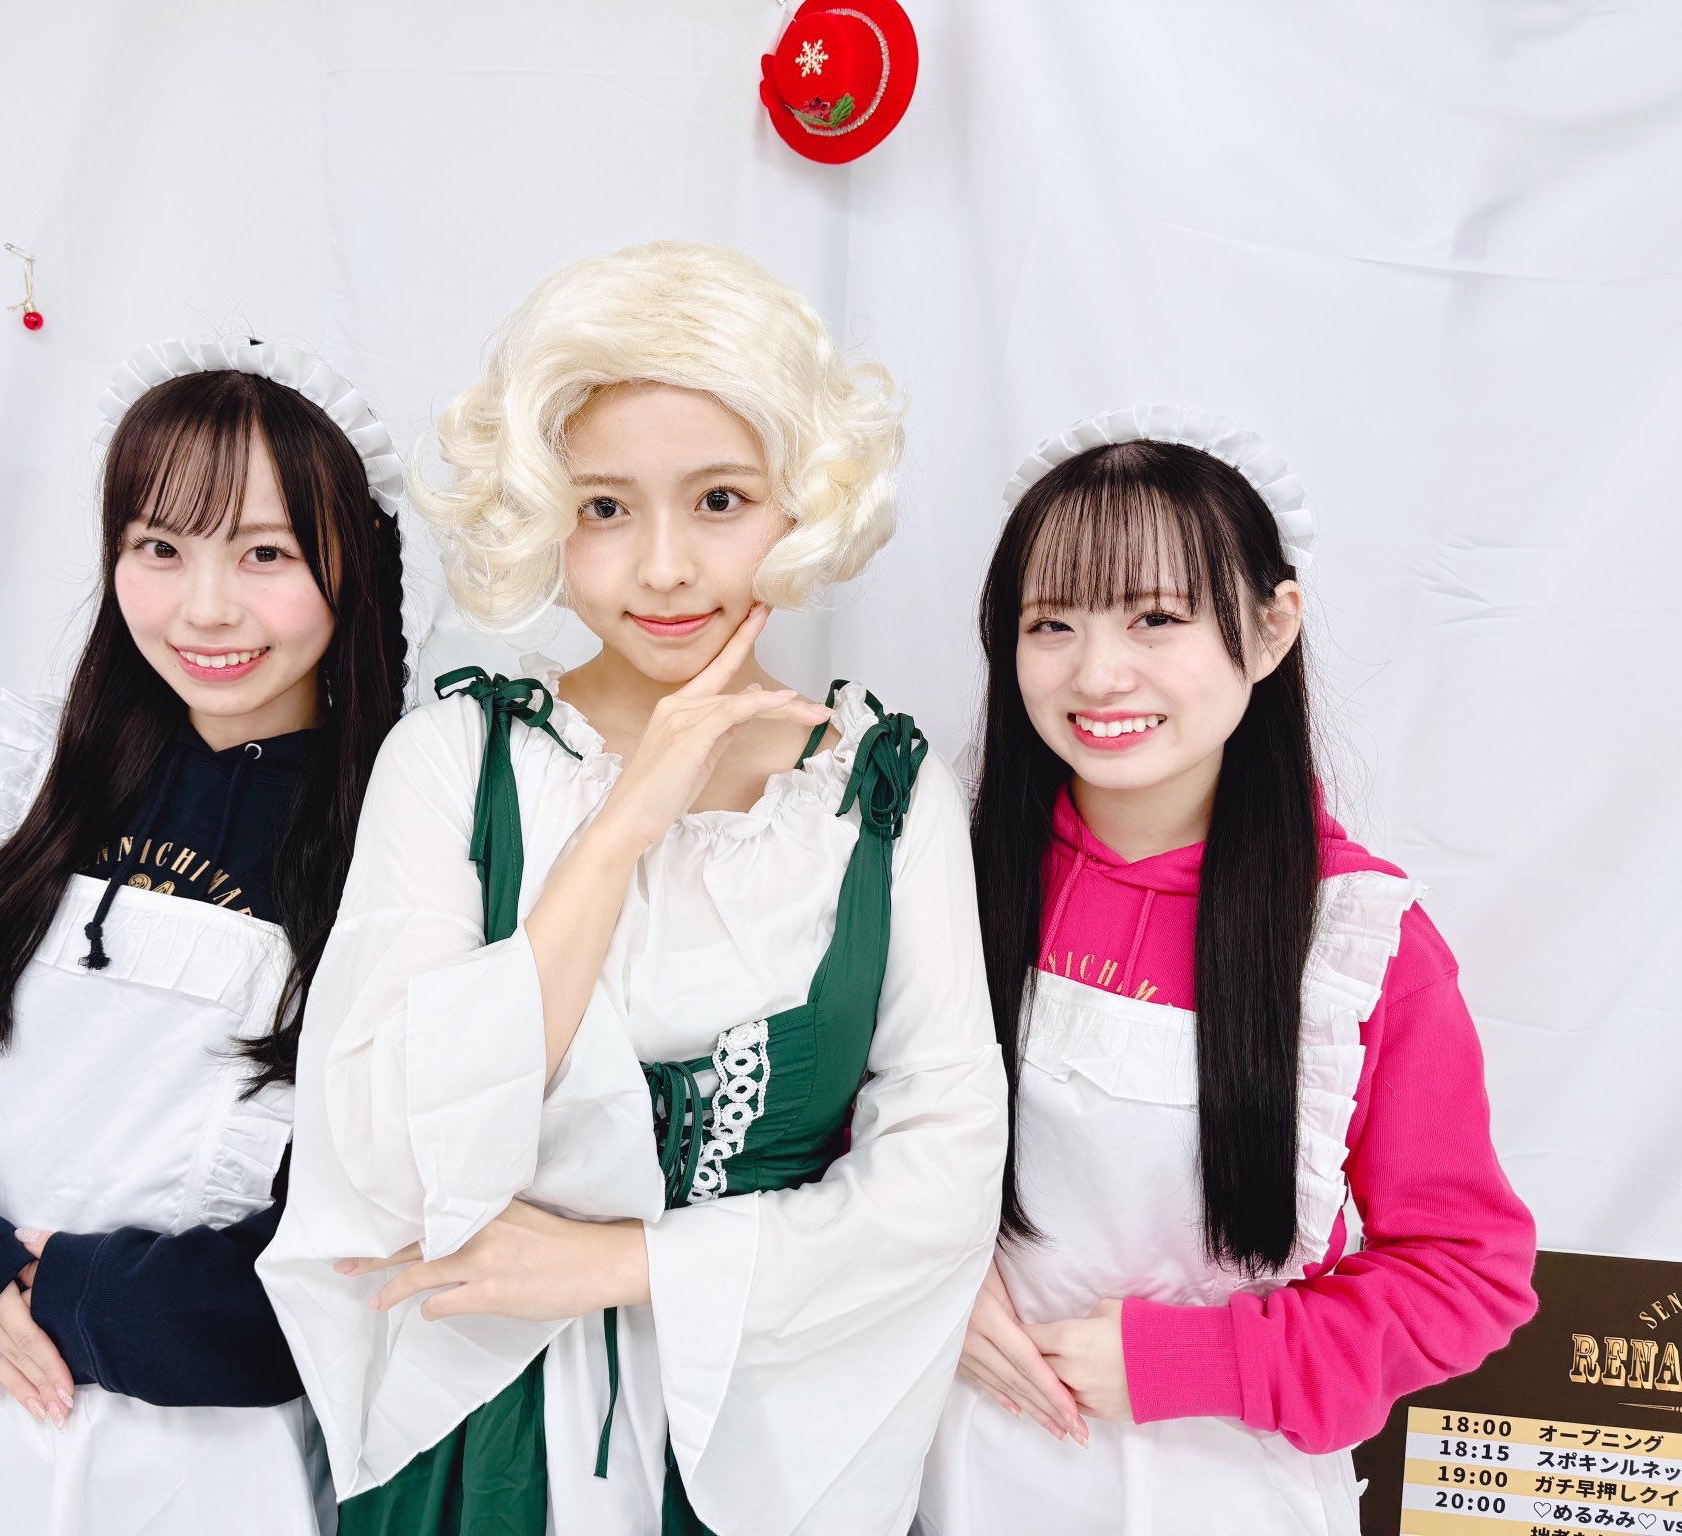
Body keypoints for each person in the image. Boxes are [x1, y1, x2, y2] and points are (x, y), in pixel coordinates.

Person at [257, 241, 1009, 1535]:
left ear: (801, 501)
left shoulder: (885, 794)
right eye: (604, 507)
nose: (663, 567)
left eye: (719, 499)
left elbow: (939, 1184)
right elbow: (384, 1152)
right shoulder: (455, 759)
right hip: (478, 1444)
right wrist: (622, 827)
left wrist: (624, 1265)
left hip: (772, 1451)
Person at [0, 336, 411, 1536]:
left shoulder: (405, 831)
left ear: (352, 563)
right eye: (159, 547)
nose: (205, 606)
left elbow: (377, 1218)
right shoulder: (21, 784)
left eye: (264, 553)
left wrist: (70, 1295)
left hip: (194, 1454)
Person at [918, 405, 1539, 1534]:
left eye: (1155, 617)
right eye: (1050, 623)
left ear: (1269, 628)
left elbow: (1465, 1274)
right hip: (949, 1467)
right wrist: (930, 1283)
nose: (1098, 673)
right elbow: (843, 1140)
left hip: (1224, 1489)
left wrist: (1191, 1359)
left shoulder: (1356, 941)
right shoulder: (936, 876)